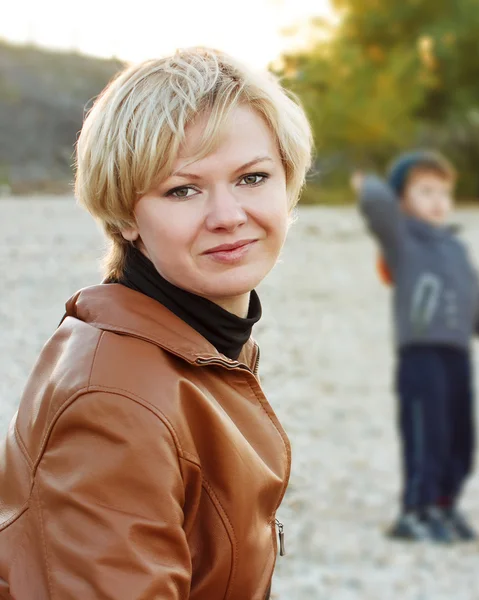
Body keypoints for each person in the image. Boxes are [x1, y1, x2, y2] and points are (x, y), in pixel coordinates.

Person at [0, 47, 312, 599]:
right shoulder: (114, 402)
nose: (227, 216)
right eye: (182, 190)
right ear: (125, 217)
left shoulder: (194, 345)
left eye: (252, 178)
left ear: (288, 184)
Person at [352, 150, 479, 544]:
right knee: (426, 432)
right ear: (403, 200)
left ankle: (444, 506)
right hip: (420, 355)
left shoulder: (456, 250)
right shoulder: (401, 238)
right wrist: (368, 183)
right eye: (425, 191)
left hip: (457, 357)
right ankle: (415, 511)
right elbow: (378, 206)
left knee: (459, 438)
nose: (437, 201)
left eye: (443, 193)